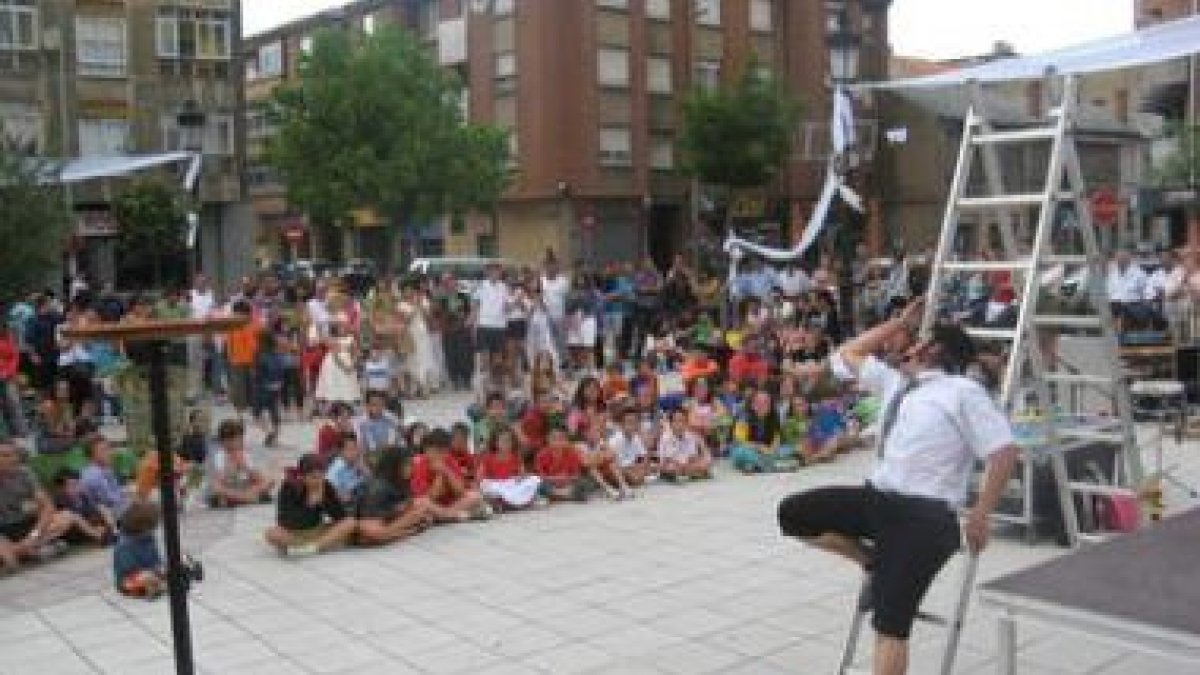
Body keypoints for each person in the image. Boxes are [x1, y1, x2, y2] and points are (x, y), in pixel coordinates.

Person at [777, 300, 1019, 675]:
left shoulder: (962, 392)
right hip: (878, 499)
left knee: (889, 623)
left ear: (932, 350)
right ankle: (872, 561)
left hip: (925, 517)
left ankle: (884, 572)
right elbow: (848, 353)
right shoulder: (897, 383)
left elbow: (1003, 453)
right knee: (793, 514)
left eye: (915, 340)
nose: (903, 345)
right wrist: (895, 323)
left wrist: (981, 515)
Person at [265, 454, 358, 557]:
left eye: (321, 476)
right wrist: (310, 505)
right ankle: (300, 546)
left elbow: (340, 516)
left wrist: (327, 501)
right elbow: (284, 520)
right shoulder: (289, 487)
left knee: (350, 522)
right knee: (272, 534)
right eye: (313, 477)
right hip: (294, 533)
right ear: (303, 476)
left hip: (317, 531)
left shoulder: (325, 486)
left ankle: (313, 548)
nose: (318, 480)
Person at [0, 439, 73, 570]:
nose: (13, 459)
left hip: (27, 524)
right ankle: (31, 551)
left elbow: (48, 506)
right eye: (6, 455)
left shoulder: (24, 473)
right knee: (8, 556)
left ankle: (24, 551)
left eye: (14, 454)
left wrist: (33, 535)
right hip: (4, 530)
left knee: (66, 517)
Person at [356, 446, 434, 545]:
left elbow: (406, 502)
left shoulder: (402, 481)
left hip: (390, 521)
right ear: (396, 465)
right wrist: (397, 510)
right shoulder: (379, 486)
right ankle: (399, 533)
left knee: (423, 512)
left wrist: (405, 507)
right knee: (372, 531)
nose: (411, 468)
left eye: (411, 464)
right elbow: (370, 515)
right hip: (371, 521)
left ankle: (387, 535)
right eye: (408, 465)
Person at [408, 429, 487, 522]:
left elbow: (461, 492)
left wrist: (446, 471)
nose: (440, 456)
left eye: (444, 452)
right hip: (431, 505)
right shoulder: (419, 463)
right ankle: (450, 516)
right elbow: (432, 496)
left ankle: (445, 516)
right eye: (437, 451)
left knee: (475, 496)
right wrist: (439, 474)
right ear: (427, 450)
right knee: (419, 502)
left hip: (451, 505)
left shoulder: (449, 460)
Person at [206, 419, 275, 508]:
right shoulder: (218, 456)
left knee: (269, 481)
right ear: (223, 441)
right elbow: (216, 483)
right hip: (228, 489)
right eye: (231, 439)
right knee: (216, 491)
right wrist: (229, 469)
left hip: (246, 488)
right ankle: (247, 498)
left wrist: (246, 467)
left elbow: (261, 478)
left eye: (239, 438)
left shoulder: (246, 454)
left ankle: (244, 498)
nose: (236, 442)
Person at [730, 390, 797, 473]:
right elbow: (740, 442)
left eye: (766, 402)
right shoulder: (743, 418)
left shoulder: (774, 419)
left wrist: (771, 450)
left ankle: (755, 466)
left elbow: (776, 441)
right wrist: (759, 447)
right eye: (759, 402)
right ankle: (770, 466)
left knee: (788, 449)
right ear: (752, 405)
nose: (762, 405)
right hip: (748, 450)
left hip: (767, 452)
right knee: (742, 452)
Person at [478, 426, 544, 511]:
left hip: (512, 484)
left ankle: (517, 503)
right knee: (485, 485)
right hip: (497, 485)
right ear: (495, 442)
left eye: (508, 440)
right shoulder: (488, 457)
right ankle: (508, 504)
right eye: (502, 440)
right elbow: (480, 476)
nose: (506, 443)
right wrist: (484, 483)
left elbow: (522, 473)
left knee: (534, 479)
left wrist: (520, 478)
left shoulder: (516, 456)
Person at [112, 500, 165, 598]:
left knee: (168, 567)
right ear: (141, 526)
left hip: (150, 572)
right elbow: (130, 570)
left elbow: (156, 559)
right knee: (146, 577)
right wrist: (152, 571)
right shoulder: (124, 545)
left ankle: (158, 585)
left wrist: (159, 568)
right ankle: (151, 589)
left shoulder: (149, 538)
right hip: (129, 579)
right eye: (151, 527)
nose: (153, 530)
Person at [472, 262, 512, 383]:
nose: (495, 273)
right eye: (492, 271)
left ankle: (496, 381)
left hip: (499, 326)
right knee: (484, 357)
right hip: (484, 325)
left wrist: (511, 305)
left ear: (500, 272)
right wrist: (474, 325)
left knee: (498, 359)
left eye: (497, 271)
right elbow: (475, 305)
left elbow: (507, 307)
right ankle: (485, 381)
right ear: (488, 272)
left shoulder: (504, 287)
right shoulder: (481, 286)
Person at [79, 434, 130, 523]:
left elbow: (116, 491)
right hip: (107, 516)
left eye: (108, 448)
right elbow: (110, 501)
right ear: (91, 455)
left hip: (114, 511)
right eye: (103, 450)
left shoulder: (104, 469)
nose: (109, 453)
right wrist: (129, 499)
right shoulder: (93, 475)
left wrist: (127, 494)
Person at [534, 427, 588, 502]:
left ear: (565, 441)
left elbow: (576, 474)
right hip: (551, 483)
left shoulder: (572, 453)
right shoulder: (541, 455)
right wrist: (555, 478)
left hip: (568, 483)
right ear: (548, 441)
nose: (558, 442)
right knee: (539, 485)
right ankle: (567, 496)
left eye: (561, 439)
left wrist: (566, 478)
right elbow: (540, 476)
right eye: (554, 439)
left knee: (583, 482)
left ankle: (559, 496)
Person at [657, 408, 712, 481]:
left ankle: (688, 473)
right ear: (670, 423)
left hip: (688, 465)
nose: (679, 424)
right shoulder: (665, 438)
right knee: (670, 468)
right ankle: (691, 474)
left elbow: (693, 457)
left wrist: (689, 465)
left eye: (682, 421)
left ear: (686, 423)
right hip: (672, 466)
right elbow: (666, 460)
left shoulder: (690, 436)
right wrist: (680, 465)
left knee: (705, 463)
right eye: (676, 421)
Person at [325, 433, 371, 507]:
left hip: (360, 498)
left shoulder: (357, 463)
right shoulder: (336, 470)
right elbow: (331, 494)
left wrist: (364, 469)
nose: (354, 452)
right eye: (350, 449)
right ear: (341, 452)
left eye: (355, 448)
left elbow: (371, 482)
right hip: (345, 505)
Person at [355, 391, 403, 456]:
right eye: (374, 404)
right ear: (367, 406)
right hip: (369, 456)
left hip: (391, 454)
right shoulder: (360, 422)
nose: (378, 407)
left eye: (381, 404)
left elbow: (394, 441)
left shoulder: (391, 419)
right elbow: (361, 444)